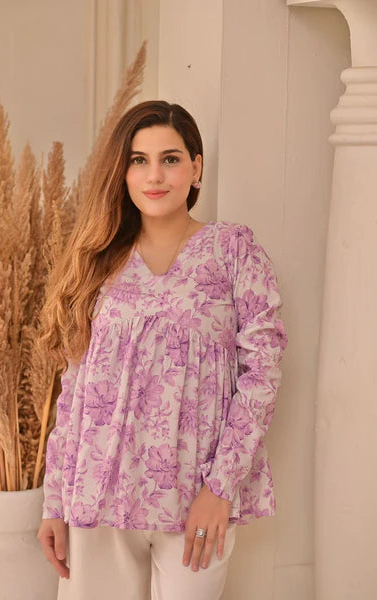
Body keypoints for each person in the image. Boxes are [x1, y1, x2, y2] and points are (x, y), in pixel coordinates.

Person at [36, 99, 288, 600]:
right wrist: (55, 502)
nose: (154, 175)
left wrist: (220, 488)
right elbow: (75, 390)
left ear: (196, 168)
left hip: (196, 498)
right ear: (124, 173)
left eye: (170, 159)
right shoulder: (98, 260)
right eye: (139, 160)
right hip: (98, 491)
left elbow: (263, 372)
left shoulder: (232, 250)